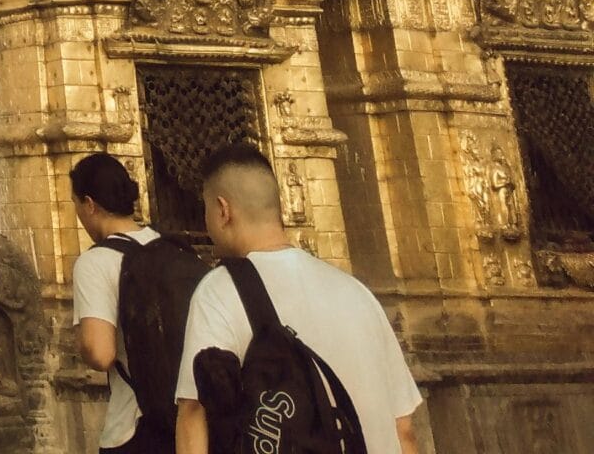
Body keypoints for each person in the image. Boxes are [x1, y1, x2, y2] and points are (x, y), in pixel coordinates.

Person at [174, 144, 423, 454]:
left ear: (223, 210)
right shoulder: (358, 293)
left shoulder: (219, 291)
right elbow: (404, 429)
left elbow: (192, 415)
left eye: (207, 210)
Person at [70, 150, 193, 453]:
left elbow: (100, 354)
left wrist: (81, 341)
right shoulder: (172, 247)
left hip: (135, 426)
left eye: (75, 204)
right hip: (190, 418)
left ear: (89, 204)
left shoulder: (96, 262)